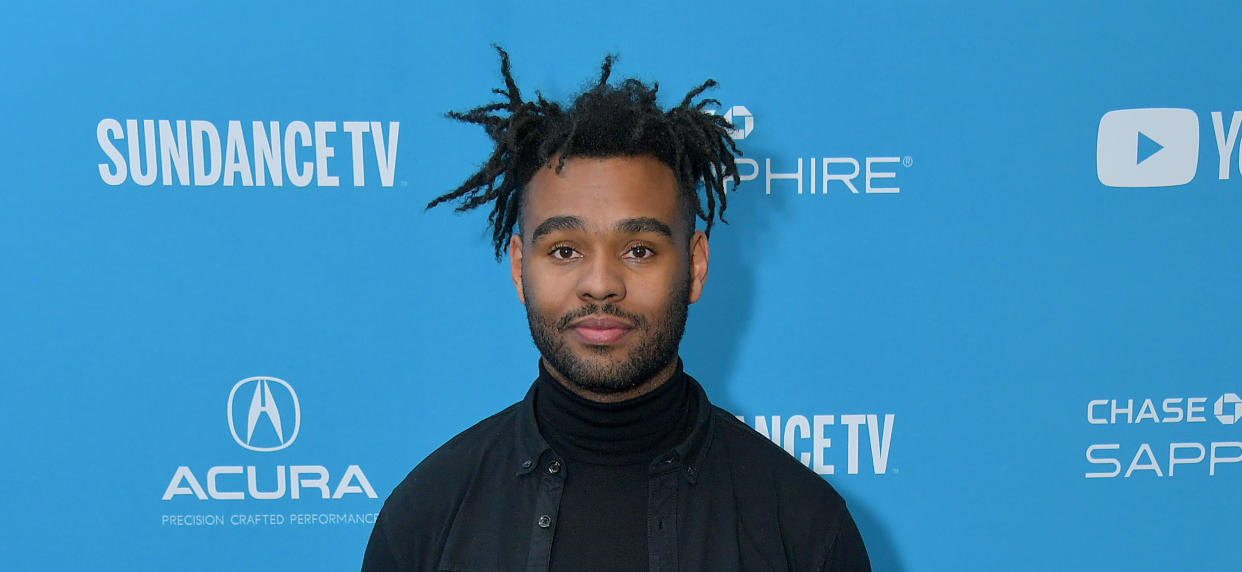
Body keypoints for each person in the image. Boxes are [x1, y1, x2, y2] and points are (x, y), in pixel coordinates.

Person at [362, 47, 870, 571]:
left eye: (639, 250)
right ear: (519, 267)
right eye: (565, 250)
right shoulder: (426, 519)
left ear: (695, 265)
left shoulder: (802, 526)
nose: (601, 285)